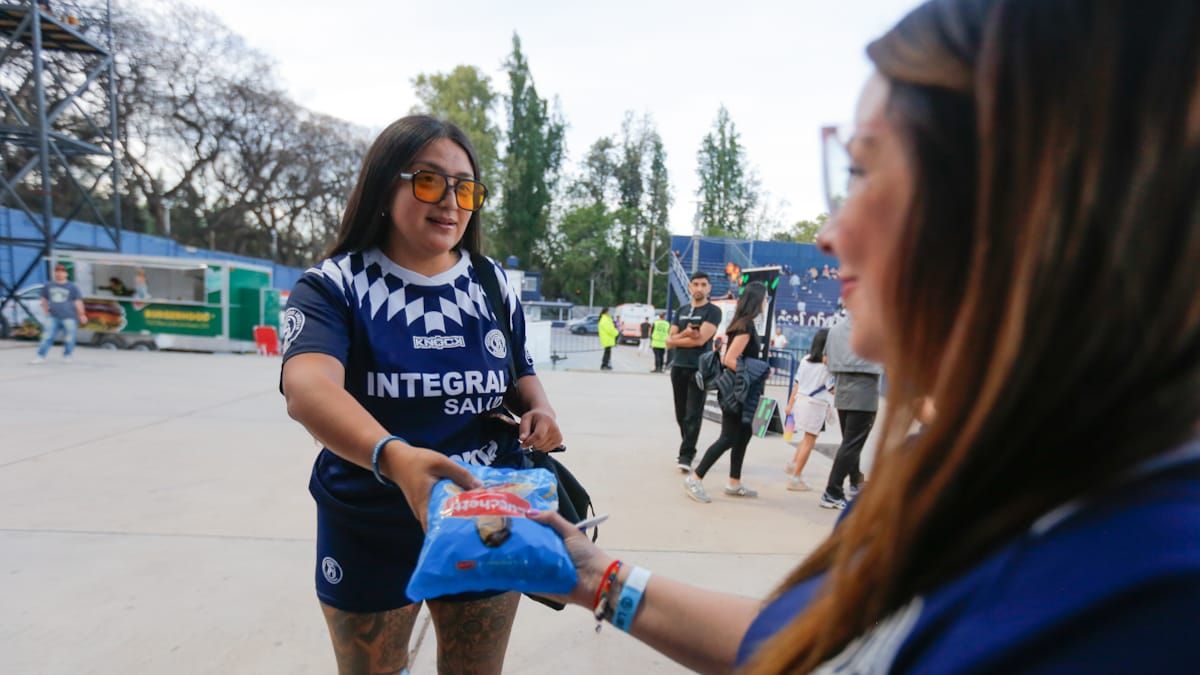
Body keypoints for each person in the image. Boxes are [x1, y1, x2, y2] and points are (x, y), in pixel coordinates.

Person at [524, 2, 1200, 672]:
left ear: (1018, 200)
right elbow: (803, 643)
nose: (829, 233)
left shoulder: (1147, 608)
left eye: (863, 172)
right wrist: (596, 579)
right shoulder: (949, 465)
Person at [280, 115, 563, 674]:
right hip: (371, 514)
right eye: (429, 180)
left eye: (466, 187)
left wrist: (541, 407)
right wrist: (394, 457)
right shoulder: (333, 286)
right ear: (386, 185)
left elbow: (519, 369)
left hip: (480, 509)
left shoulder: (491, 283)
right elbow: (307, 388)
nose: (451, 201)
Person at [683, 281, 770, 502]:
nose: (766, 302)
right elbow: (730, 359)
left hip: (739, 391)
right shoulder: (745, 326)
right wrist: (751, 373)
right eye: (765, 298)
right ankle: (695, 478)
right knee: (729, 437)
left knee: (743, 435)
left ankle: (734, 481)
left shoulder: (742, 323)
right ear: (757, 300)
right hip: (737, 392)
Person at [819, 313, 882, 509]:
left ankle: (855, 481)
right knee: (852, 444)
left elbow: (826, 359)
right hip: (864, 393)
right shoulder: (875, 329)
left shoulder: (836, 329)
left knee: (849, 441)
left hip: (843, 391)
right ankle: (832, 491)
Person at [665, 272, 722, 472]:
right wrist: (686, 334)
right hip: (678, 366)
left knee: (693, 414)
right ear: (690, 287)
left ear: (709, 288)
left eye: (703, 284)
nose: (699, 288)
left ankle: (686, 454)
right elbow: (668, 341)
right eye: (695, 284)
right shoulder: (681, 310)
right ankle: (688, 445)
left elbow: (700, 340)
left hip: (699, 368)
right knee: (681, 413)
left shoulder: (713, 311)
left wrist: (682, 338)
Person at [782, 328, 833, 492]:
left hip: (800, 402)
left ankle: (793, 464)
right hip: (815, 404)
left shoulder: (804, 360)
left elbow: (797, 384)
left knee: (805, 438)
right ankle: (796, 477)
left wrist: (790, 404)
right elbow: (832, 388)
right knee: (810, 441)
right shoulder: (827, 366)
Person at [30, 263, 87, 364]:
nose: (59, 274)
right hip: (53, 316)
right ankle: (40, 356)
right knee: (47, 336)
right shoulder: (49, 285)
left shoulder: (72, 287)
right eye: (57, 272)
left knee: (69, 337)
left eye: (61, 272)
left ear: (66, 274)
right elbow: (44, 299)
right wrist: (46, 310)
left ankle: (67, 355)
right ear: (54, 273)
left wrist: (82, 314)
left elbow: (78, 301)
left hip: (69, 316)